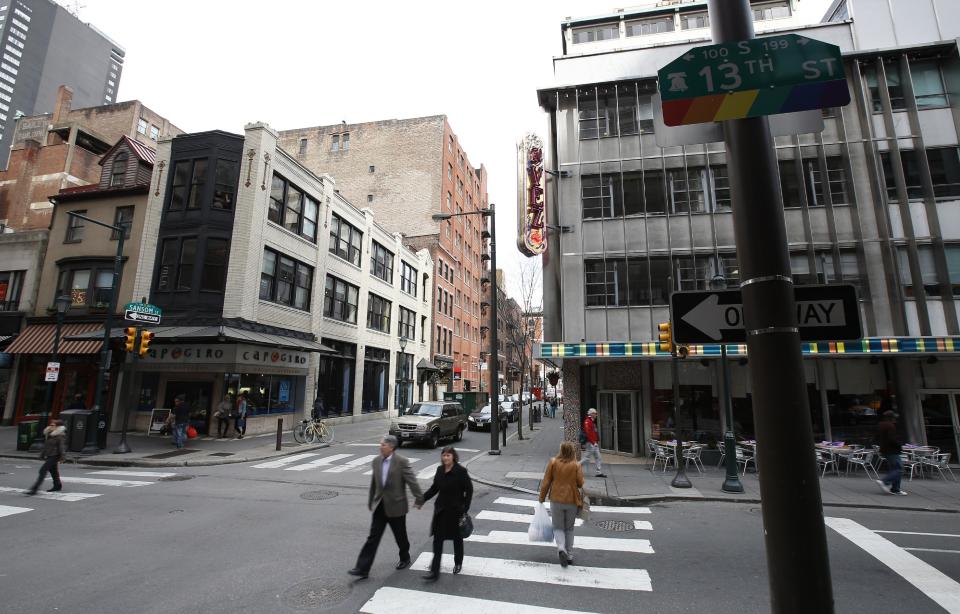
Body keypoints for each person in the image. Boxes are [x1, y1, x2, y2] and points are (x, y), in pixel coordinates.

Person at [348, 435, 424, 579]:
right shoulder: (376, 461)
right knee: (373, 538)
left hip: (397, 506)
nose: (380, 447)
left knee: (400, 536)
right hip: (380, 506)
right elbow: (374, 483)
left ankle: (405, 557)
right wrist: (371, 500)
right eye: (380, 444)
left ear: (391, 447)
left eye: (383, 445)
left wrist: (419, 498)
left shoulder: (401, 462)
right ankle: (362, 568)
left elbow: (411, 481)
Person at [419, 446, 473, 581]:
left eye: (448, 455)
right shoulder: (439, 470)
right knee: (437, 540)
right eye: (444, 455)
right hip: (441, 511)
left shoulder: (460, 471)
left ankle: (458, 562)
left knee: (457, 539)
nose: (446, 458)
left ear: (453, 456)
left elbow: (469, 490)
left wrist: (465, 509)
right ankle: (434, 571)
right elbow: (434, 488)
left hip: (455, 512)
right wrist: (422, 499)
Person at [539, 441, 584, 567]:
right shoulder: (576, 465)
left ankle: (561, 548)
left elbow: (546, 482)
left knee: (558, 527)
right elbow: (580, 483)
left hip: (556, 499)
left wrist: (541, 498)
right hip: (572, 500)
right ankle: (569, 555)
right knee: (569, 528)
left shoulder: (553, 462)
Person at [27, 419, 66, 495]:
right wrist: (42, 455)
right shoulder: (50, 434)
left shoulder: (60, 436)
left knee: (42, 471)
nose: (50, 426)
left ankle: (34, 489)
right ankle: (57, 485)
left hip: (55, 456)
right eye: (50, 425)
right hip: (49, 455)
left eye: (52, 425)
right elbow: (46, 446)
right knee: (53, 471)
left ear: (58, 427)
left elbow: (62, 448)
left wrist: (62, 458)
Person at [876, 410, 906, 496]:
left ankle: (896, 489)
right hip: (892, 450)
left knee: (895, 469)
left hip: (885, 450)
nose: (895, 419)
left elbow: (877, 437)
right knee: (899, 469)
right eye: (894, 417)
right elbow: (892, 439)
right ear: (891, 418)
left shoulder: (880, 425)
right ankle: (884, 481)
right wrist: (900, 445)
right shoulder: (890, 426)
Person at [581, 408, 606, 478]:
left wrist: (596, 441)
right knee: (586, 458)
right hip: (590, 443)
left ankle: (599, 472)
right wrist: (593, 442)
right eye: (595, 413)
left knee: (598, 457)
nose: (596, 415)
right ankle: (576, 467)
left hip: (594, 443)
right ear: (591, 414)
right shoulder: (587, 421)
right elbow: (588, 433)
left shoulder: (591, 421)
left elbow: (594, 432)